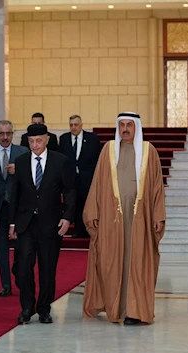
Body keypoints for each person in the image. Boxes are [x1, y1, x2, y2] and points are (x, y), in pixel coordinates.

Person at [83, 112, 166, 325]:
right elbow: (97, 184)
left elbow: (157, 187)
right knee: (112, 262)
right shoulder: (108, 151)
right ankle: (116, 307)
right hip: (113, 219)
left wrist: (158, 215)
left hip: (141, 220)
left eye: (130, 125)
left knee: (138, 264)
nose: (125, 129)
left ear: (137, 127)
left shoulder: (149, 152)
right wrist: (93, 212)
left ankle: (135, 311)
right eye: (122, 125)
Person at [9, 123, 75, 325]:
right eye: (31, 141)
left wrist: (68, 216)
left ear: (46, 139)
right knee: (24, 266)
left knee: (47, 268)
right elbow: (15, 194)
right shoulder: (20, 162)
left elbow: (71, 190)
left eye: (38, 141)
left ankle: (44, 309)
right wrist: (12, 223)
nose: (35, 145)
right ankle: (27, 307)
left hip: (50, 223)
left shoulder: (60, 161)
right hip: (26, 223)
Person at [0, 120, 28, 296]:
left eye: (8, 134)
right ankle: (5, 284)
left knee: (21, 248)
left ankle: (19, 274)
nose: (5, 137)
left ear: (13, 134)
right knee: (0, 249)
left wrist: (19, 170)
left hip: (19, 210)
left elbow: (33, 177)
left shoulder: (23, 153)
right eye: (1, 134)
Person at [58, 115, 101, 238]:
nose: (73, 127)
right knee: (73, 203)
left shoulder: (92, 138)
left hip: (87, 178)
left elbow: (97, 157)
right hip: (70, 179)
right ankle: (78, 230)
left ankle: (90, 228)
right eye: (71, 125)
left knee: (87, 204)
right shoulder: (64, 139)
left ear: (81, 125)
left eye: (76, 125)